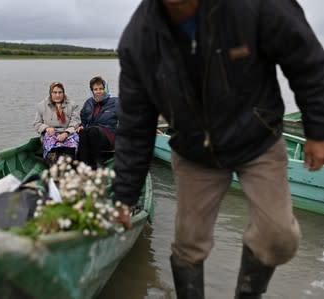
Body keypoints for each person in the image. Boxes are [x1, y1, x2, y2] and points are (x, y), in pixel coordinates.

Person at [112, 0, 324, 298]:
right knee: (189, 245)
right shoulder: (139, 40)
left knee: (279, 238)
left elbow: (307, 60)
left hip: (258, 139)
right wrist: (123, 195)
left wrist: (317, 130)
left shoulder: (254, 6)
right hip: (194, 150)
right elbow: (135, 126)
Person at [33, 82, 80, 165]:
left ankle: (69, 161)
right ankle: (53, 162)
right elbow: (37, 123)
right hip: (51, 133)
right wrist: (46, 128)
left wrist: (66, 133)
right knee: (51, 144)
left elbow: (75, 122)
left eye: (60, 92)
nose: (57, 95)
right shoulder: (41, 105)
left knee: (72, 142)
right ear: (51, 93)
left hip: (67, 132)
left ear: (63, 93)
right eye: (55, 92)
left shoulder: (72, 105)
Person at [76, 76, 119, 169]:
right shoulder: (88, 103)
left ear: (105, 89)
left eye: (101, 89)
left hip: (108, 136)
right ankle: (84, 164)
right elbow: (82, 119)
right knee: (83, 131)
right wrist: (80, 125)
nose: (98, 91)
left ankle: (99, 161)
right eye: (95, 89)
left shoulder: (115, 102)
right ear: (92, 91)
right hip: (91, 133)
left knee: (93, 130)